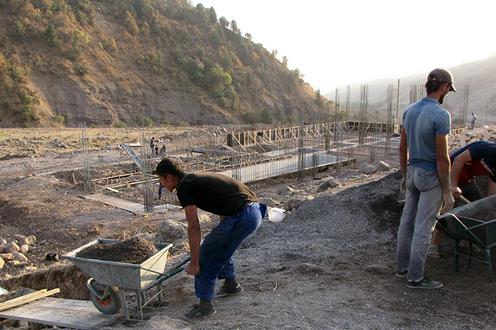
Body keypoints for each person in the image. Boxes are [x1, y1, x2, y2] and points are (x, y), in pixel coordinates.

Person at [155, 158, 266, 319]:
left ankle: (205, 306)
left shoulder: (184, 187)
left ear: (169, 177)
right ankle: (230, 284)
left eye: (161, 180)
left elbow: (193, 225)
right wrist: (222, 232)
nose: (161, 185)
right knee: (219, 246)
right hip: (253, 211)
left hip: (243, 214)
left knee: (205, 254)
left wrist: (194, 262)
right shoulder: (194, 180)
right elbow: (223, 200)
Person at [396, 68, 456, 289]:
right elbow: (442, 156)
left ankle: (402, 269)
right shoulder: (441, 115)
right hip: (431, 175)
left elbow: (403, 148)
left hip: (412, 171)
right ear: (443, 88)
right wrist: (447, 189)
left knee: (407, 223)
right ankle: (416, 278)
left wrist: (404, 175)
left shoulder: (409, 111)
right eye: (448, 89)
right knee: (424, 227)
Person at [429, 140, 496, 255]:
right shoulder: (486, 148)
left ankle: (465, 243)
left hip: (467, 180)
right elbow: (458, 159)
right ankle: (433, 245)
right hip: (449, 175)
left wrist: (490, 202)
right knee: (447, 210)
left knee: (478, 208)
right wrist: (453, 185)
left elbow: (493, 182)